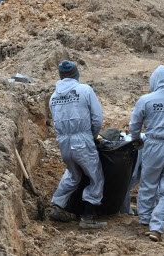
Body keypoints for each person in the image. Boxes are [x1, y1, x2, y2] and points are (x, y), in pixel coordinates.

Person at [48, 60, 106, 230]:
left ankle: (58, 206)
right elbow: (97, 118)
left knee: (73, 174)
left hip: (64, 141)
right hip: (82, 139)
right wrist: (91, 137)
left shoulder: (53, 97)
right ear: (76, 73)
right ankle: (88, 217)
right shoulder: (85, 90)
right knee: (95, 176)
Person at [129, 65, 164, 242]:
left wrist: (136, 139)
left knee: (148, 183)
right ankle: (157, 227)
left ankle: (145, 220)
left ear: (154, 81)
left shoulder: (146, 100)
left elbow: (134, 125)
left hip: (153, 145)